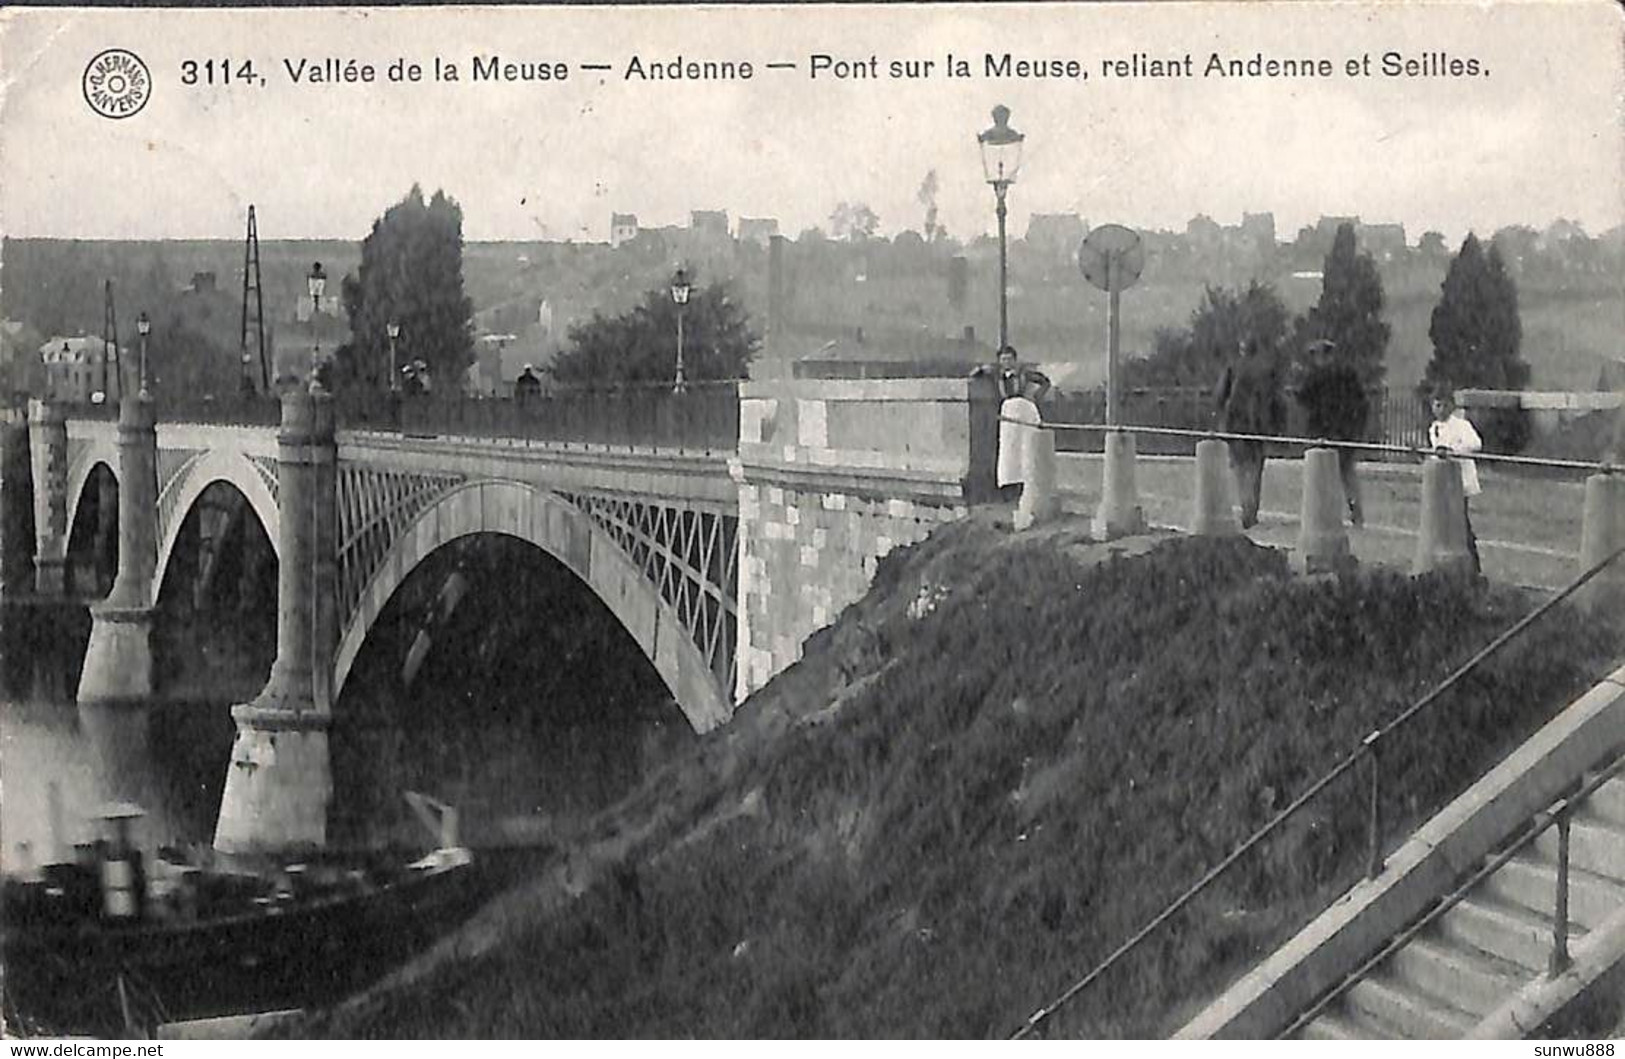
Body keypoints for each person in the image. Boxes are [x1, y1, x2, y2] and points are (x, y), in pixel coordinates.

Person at [1295, 339, 1371, 526]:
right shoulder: (1348, 373)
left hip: (1323, 430)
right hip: (1346, 431)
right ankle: (1356, 512)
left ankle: (1326, 513)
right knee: (1347, 474)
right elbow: (1362, 402)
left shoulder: (1315, 376)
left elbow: (1303, 398)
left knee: (1322, 473)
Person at [1214, 337, 1286, 528]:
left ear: (1242, 348)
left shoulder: (1233, 367)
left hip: (1237, 422)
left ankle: (1246, 506)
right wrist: (1277, 425)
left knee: (1240, 468)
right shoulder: (1267, 369)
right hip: (1260, 425)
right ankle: (1252, 509)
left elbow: (1219, 395)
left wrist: (1221, 417)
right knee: (1256, 468)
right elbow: (1278, 399)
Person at [974, 345, 1051, 503]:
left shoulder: (1025, 374)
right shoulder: (997, 375)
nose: (1006, 362)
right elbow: (978, 373)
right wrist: (980, 369)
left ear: (1015, 360)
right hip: (1008, 411)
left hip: (1024, 410)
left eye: (1009, 359)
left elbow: (1045, 382)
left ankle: (1026, 484)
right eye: (1003, 359)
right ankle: (1009, 487)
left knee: (1026, 445)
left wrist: (1035, 396)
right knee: (1008, 449)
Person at [1429, 389, 1483, 574]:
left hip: (1461, 481)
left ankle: (1474, 565)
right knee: (1449, 522)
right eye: (1437, 405)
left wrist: (1452, 450)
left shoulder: (1462, 425)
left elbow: (1475, 444)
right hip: (1446, 482)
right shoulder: (1434, 428)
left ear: (1451, 406)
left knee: (1461, 521)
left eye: (1444, 405)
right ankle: (1454, 563)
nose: (1441, 409)